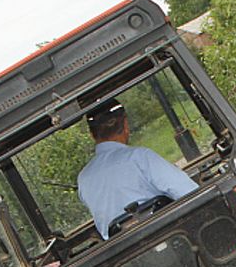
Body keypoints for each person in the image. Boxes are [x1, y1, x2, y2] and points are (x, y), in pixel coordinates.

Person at [77, 100, 197, 238]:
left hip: (125, 255)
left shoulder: (83, 179)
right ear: (126, 125)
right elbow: (189, 192)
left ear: (92, 135)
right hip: (168, 237)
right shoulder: (140, 157)